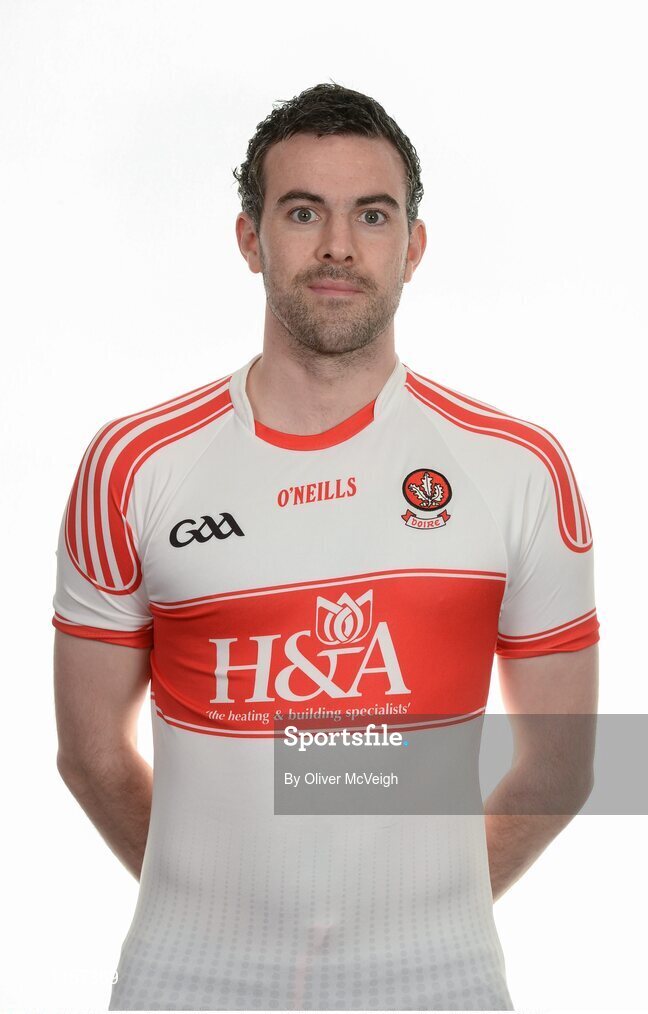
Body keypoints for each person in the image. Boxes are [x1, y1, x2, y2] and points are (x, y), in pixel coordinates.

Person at [53, 81, 599, 1011]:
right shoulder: (132, 466)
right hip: (187, 976)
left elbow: (565, 763)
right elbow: (90, 752)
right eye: (303, 211)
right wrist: (219, 913)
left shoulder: (519, 468)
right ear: (250, 237)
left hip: (441, 976)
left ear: (413, 246)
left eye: (372, 215)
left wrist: (431, 916)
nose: (338, 246)